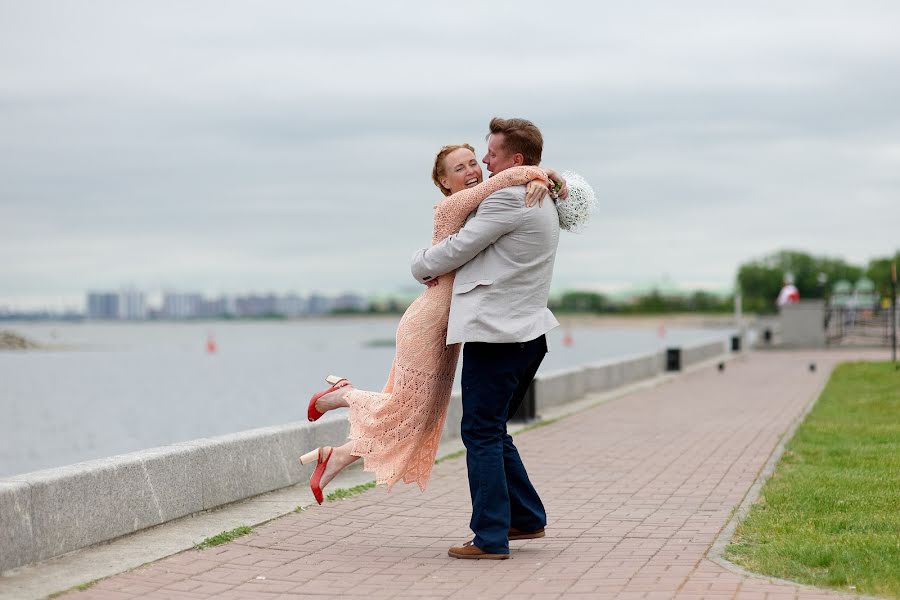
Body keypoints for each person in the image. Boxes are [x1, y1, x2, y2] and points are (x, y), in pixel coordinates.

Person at [298, 141, 568, 505]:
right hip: (428, 322)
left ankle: (336, 458)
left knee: (418, 415)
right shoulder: (452, 207)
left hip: (451, 327)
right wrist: (540, 174)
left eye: (474, 163)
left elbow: (501, 193)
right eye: (459, 169)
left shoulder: (481, 209)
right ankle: (342, 394)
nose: (473, 172)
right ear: (444, 182)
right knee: (406, 409)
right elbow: (502, 181)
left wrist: (547, 179)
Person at [410, 117, 560, 560]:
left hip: (498, 336)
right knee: (492, 431)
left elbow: (458, 248)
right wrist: (551, 175)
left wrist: (419, 265)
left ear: (515, 160)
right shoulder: (540, 193)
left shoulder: (508, 200)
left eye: (490, 155)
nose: (484, 163)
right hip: (527, 333)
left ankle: (491, 537)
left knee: (479, 432)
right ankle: (527, 519)